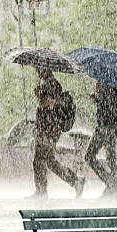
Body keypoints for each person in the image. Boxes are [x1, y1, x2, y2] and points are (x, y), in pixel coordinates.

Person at [28, 67, 84, 199]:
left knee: (39, 160)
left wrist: (40, 96)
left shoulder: (52, 84)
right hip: (47, 129)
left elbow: (51, 105)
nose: (38, 71)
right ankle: (75, 181)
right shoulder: (48, 84)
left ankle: (42, 191)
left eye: (40, 68)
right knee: (49, 161)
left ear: (47, 69)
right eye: (37, 69)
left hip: (49, 130)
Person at [85, 82, 117, 199]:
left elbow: (107, 104)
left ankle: (111, 183)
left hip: (104, 127)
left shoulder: (106, 82)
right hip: (113, 127)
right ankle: (115, 187)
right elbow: (110, 103)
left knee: (89, 156)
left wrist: (97, 97)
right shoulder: (116, 82)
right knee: (111, 159)